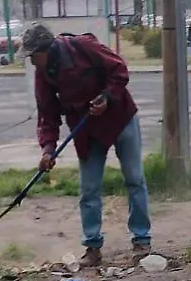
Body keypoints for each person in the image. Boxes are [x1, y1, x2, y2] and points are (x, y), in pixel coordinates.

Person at [16, 24, 151, 268]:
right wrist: (48, 149)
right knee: (88, 189)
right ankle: (92, 246)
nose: (32, 62)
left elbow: (119, 70)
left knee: (134, 178)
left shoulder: (83, 46)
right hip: (87, 130)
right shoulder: (44, 74)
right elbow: (47, 114)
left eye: (33, 56)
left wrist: (107, 97)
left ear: (45, 50)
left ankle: (141, 240)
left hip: (120, 119)